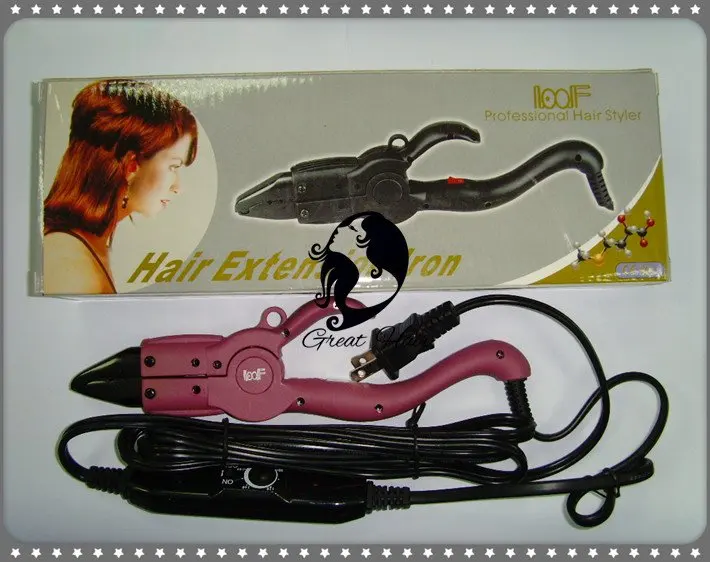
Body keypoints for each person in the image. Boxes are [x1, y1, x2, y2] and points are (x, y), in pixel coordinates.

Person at [42, 79, 199, 294]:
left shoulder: (85, 247)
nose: (178, 187)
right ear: (131, 166)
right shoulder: (70, 267)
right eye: (174, 166)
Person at [308, 211, 410, 331]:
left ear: (366, 240)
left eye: (351, 228)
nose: (339, 229)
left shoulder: (389, 287)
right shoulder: (343, 274)